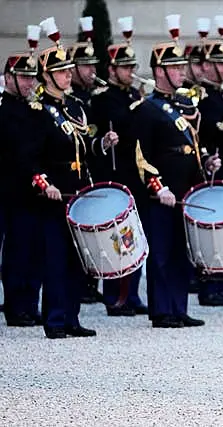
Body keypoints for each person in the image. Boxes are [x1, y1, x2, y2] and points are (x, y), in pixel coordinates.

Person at [22, 17, 119, 338]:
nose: (67, 76)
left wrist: (102, 144)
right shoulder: (37, 111)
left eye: (68, 71)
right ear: (47, 75)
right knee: (55, 258)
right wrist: (43, 182)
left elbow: (84, 148)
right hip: (53, 193)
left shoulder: (76, 107)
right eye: (62, 72)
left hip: (78, 191)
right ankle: (54, 319)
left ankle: (72, 317)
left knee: (79, 255)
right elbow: (30, 155)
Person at [132, 15, 219, 328]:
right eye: (176, 68)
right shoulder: (146, 109)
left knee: (181, 252)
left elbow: (189, 147)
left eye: (183, 67)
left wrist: (205, 163)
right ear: (159, 71)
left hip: (185, 190)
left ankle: (179, 308)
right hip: (163, 194)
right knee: (162, 254)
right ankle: (162, 310)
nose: (183, 72)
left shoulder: (178, 107)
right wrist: (159, 188)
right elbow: (141, 157)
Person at [90, 16, 148, 316]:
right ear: (112, 70)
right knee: (115, 240)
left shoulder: (133, 96)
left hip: (134, 175)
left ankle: (133, 294)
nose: (131, 73)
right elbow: (124, 123)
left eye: (132, 67)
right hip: (114, 174)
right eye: (125, 68)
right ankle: (115, 298)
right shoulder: (105, 99)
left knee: (134, 239)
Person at [187, 16, 223, 307]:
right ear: (206, 66)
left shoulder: (220, 93)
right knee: (213, 229)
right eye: (219, 64)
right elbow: (209, 128)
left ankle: (219, 284)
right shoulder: (201, 96)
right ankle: (209, 287)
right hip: (212, 166)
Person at [0, 27, 42, 327]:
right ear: (10, 78)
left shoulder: (32, 109)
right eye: (25, 77)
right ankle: (15, 306)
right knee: (15, 251)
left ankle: (30, 302)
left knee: (33, 249)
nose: (30, 83)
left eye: (32, 77)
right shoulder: (4, 109)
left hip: (33, 191)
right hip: (10, 190)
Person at [67, 16, 104, 304]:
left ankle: (89, 284)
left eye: (93, 65)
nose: (92, 71)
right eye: (86, 66)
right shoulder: (71, 99)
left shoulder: (91, 97)